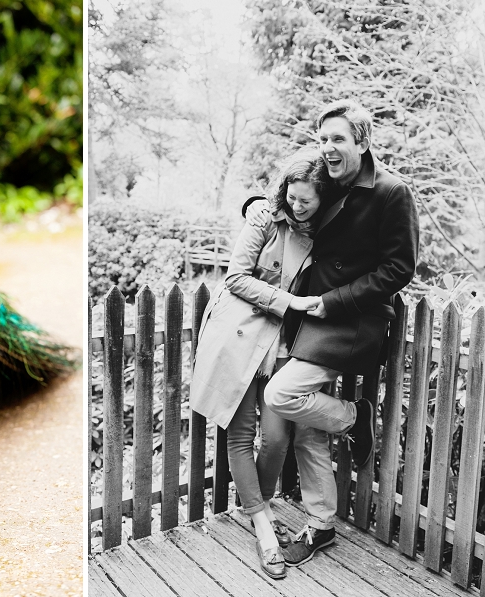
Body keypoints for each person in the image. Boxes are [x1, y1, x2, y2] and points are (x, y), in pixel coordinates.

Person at [243, 99, 419, 566]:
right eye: (323, 139)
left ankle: (352, 417)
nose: (328, 148)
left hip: (351, 319)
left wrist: (336, 301)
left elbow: (400, 267)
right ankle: (321, 525)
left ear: (363, 141)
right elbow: (291, 198)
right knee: (304, 433)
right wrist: (259, 210)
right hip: (311, 314)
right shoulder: (325, 180)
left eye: (338, 138)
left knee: (281, 395)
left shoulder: (390, 191)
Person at [190, 148, 329, 580]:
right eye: (292, 194)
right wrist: (290, 302)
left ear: (323, 199)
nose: (297, 204)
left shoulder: (327, 232)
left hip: (285, 344)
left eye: (307, 199)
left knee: (276, 439)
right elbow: (235, 276)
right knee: (241, 433)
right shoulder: (264, 218)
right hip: (243, 335)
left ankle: (256, 506)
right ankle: (264, 526)